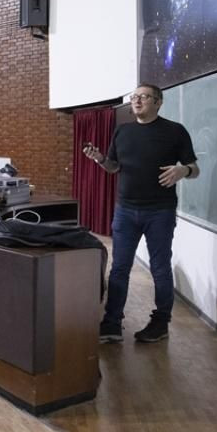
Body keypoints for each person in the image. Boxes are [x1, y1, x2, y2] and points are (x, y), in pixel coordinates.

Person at [83, 84, 199, 344]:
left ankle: (160, 324)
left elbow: (195, 168)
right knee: (119, 268)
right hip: (125, 210)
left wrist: (184, 171)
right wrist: (100, 158)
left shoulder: (175, 131)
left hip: (160, 211)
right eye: (134, 97)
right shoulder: (123, 131)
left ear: (158, 102)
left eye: (143, 97)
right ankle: (112, 323)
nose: (137, 101)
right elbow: (114, 168)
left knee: (160, 269)